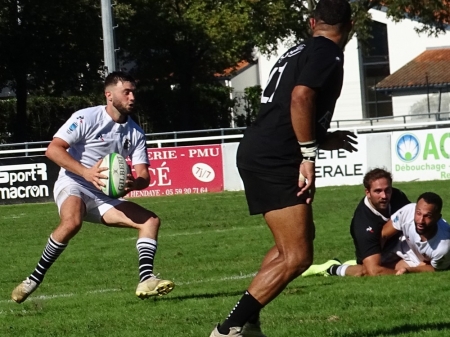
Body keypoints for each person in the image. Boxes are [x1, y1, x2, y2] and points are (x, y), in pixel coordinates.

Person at [209, 1, 355, 336]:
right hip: (276, 156)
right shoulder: (327, 52)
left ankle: (248, 322)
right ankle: (228, 328)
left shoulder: (298, 49)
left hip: (265, 148)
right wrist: (308, 154)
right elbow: (301, 97)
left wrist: (321, 137)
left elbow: (290, 102)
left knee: (293, 244)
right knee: (299, 255)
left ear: (311, 21)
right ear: (351, 24)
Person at [11, 71, 174, 304]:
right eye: (126, 92)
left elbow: (144, 175)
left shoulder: (135, 132)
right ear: (109, 95)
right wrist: (86, 172)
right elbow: (53, 149)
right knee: (72, 222)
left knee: (150, 221)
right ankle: (34, 279)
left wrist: (133, 184)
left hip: (104, 195)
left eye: (133, 92)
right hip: (74, 182)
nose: (132, 97)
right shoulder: (86, 118)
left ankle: (146, 279)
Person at [302, 168, 410, 277]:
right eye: (378, 191)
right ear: (367, 192)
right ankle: (332, 268)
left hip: (398, 245)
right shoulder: (363, 223)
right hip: (379, 251)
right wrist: (404, 273)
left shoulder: (397, 196)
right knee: (364, 271)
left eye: (387, 190)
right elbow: (374, 271)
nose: (384, 196)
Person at [381, 192, 450, 273]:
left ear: (438, 217)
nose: (421, 221)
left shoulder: (443, 247)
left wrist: (409, 270)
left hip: (416, 261)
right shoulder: (408, 211)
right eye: (418, 213)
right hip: (397, 245)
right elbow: (384, 234)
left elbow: (436, 269)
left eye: (428, 216)